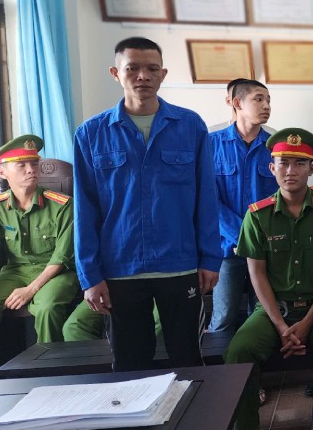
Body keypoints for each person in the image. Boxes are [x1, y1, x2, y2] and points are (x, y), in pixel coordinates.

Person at [73, 37, 221, 372]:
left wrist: (210, 258)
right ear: (116, 73)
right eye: (133, 68)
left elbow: (206, 199)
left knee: (187, 360)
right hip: (120, 268)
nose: (143, 76)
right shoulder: (91, 134)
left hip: (179, 264)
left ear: (163, 74)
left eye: (152, 69)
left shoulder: (190, 126)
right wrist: (89, 276)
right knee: (130, 365)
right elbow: (85, 211)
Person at [225, 129, 313, 430]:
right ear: (272, 168)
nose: (290, 171)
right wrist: (282, 326)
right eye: (283, 163)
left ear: (312, 168)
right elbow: (256, 274)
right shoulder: (257, 215)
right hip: (274, 310)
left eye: (299, 164)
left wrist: (307, 323)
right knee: (238, 350)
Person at [0, 135, 78, 379]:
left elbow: (62, 256)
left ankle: (50, 376)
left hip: (55, 273)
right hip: (15, 272)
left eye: (34, 164)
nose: (31, 170)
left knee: (47, 306)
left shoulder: (62, 204)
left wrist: (31, 289)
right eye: (22, 165)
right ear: (2, 172)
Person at [209, 79, 277, 334]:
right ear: (237, 103)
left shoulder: (275, 147)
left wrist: (261, 238)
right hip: (228, 248)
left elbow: (281, 196)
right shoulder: (211, 144)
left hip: (267, 247)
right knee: (223, 317)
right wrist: (243, 235)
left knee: (263, 315)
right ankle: (219, 362)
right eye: (258, 99)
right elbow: (208, 201)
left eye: (268, 100)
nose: (266, 105)